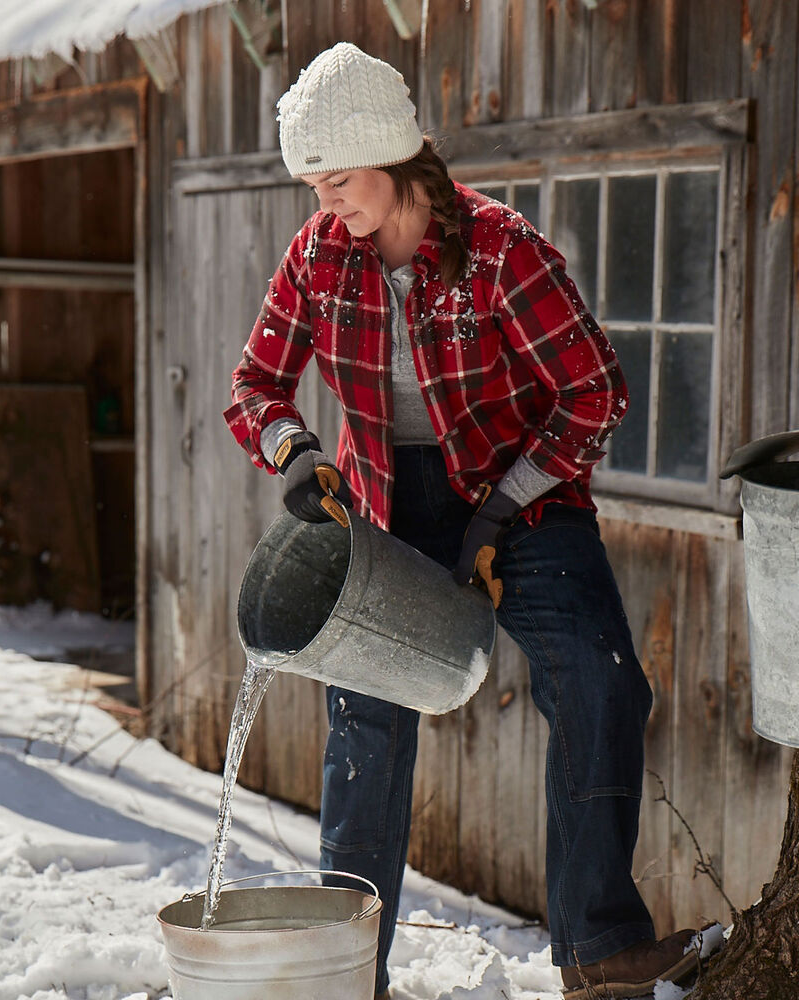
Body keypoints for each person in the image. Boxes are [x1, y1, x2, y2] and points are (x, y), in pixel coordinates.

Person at [224, 41, 700, 1000]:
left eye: (339, 179)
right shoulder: (319, 255)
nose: (327, 202)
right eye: (314, 185)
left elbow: (595, 392)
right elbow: (254, 387)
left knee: (601, 683)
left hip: (522, 501)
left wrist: (501, 509)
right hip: (382, 515)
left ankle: (599, 947)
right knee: (365, 734)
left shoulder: (500, 249)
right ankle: (349, 975)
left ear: (395, 155)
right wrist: (295, 452)